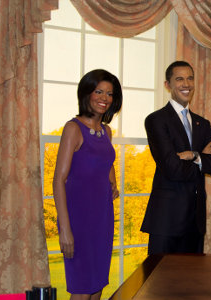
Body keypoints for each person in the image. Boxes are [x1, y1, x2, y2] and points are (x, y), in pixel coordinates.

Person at [141, 60, 211, 255]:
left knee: (192, 284)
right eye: (179, 79)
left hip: (195, 224)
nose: (186, 84)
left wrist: (196, 156)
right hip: (166, 222)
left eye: (190, 78)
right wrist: (205, 159)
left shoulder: (202, 124)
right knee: (160, 283)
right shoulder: (156, 120)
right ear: (168, 85)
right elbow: (172, 169)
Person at [53, 69, 122, 299]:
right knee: (82, 289)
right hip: (78, 221)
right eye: (99, 91)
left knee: (98, 285)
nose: (104, 98)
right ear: (86, 94)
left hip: (102, 218)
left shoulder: (107, 132)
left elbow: (106, 160)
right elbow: (58, 180)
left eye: (110, 94)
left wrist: (112, 183)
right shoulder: (73, 128)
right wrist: (65, 230)